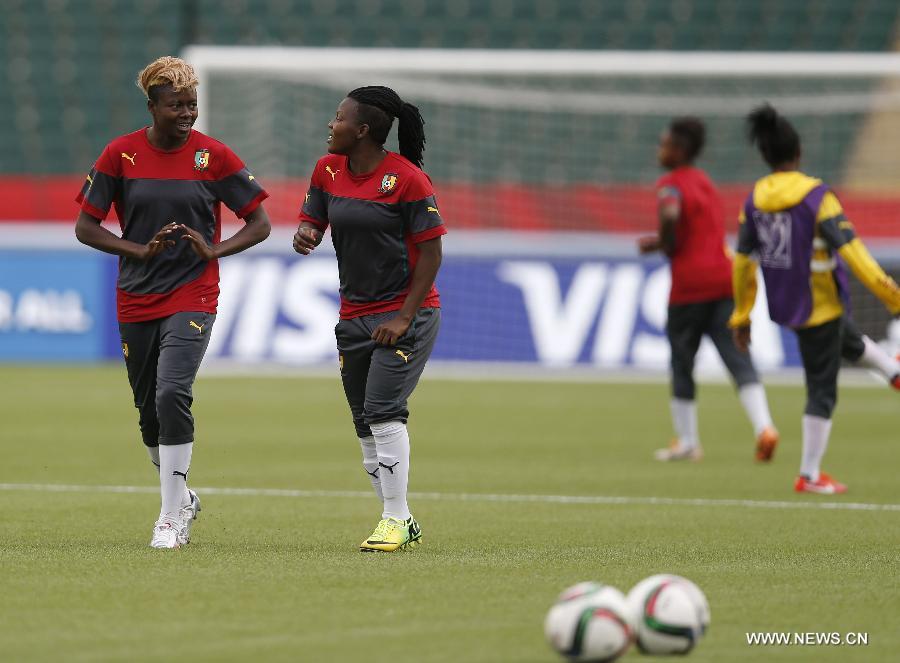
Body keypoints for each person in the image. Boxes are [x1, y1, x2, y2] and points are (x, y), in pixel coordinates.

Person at [74, 56, 271, 547]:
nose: (187, 114)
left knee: (171, 392)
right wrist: (137, 249)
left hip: (194, 293)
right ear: (152, 106)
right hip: (137, 296)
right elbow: (86, 226)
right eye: (176, 106)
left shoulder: (215, 156)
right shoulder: (121, 154)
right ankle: (183, 497)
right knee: (148, 412)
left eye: (192, 105)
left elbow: (260, 222)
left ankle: (169, 517)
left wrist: (214, 249)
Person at [293, 86, 445, 553]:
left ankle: (394, 519)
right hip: (353, 314)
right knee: (364, 426)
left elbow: (433, 255)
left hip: (405, 315)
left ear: (362, 130)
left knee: (382, 412)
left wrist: (404, 317)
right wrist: (307, 234)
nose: (330, 125)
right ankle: (402, 520)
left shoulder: (407, 180)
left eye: (338, 118)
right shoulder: (327, 170)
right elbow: (315, 217)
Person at [730, 104, 900, 494]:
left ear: (766, 156)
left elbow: (742, 263)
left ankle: (893, 373)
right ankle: (808, 475)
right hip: (819, 305)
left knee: (851, 342)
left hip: (789, 302)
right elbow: (855, 254)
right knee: (822, 389)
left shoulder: (754, 200)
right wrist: (893, 298)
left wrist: (742, 315)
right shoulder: (816, 196)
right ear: (798, 153)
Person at [638, 117, 779, 463]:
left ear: (679, 149)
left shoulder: (670, 184)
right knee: (738, 358)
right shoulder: (706, 183)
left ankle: (687, 442)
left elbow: (671, 213)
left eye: (664, 143)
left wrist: (662, 242)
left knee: (682, 362)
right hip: (724, 278)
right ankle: (764, 426)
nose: (660, 150)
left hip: (689, 287)